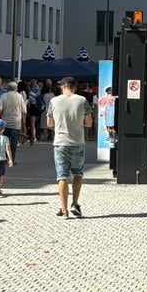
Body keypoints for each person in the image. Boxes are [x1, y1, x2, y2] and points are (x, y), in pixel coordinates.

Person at [46, 77, 92, 219]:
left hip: (60, 142)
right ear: (75, 87)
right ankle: (75, 203)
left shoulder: (53, 101)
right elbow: (89, 123)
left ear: (61, 87)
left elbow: (49, 123)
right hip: (78, 141)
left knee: (62, 176)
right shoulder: (82, 100)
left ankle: (64, 209)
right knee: (78, 173)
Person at [0, 81, 26, 162]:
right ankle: (11, 159)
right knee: (13, 142)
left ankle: (4, 157)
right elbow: (23, 110)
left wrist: (1, 114)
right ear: (16, 88)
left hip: (5, 121)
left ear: (8, 88)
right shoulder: (19, 96)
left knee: (5, 140)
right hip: (16, 122)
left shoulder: (4, 95)